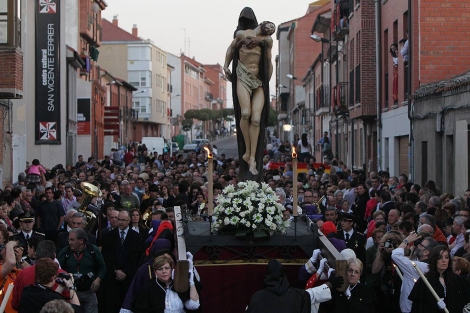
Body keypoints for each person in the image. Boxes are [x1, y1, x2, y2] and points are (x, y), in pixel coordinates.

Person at [224, 11, 274, 178]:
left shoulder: (266, 41)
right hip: (243, 77)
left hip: (258, 81)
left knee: (256, 118)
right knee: (245, 113)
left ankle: (252, 157)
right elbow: (231, 49)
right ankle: (246, 152)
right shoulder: (242, 34)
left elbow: (268, 60)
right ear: (262, 24)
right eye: (270, 27)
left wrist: (267, 78)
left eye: (272, 30)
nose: (270, 31)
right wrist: (226, 65)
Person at [246, 259, 342, 313]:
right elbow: (313, 294)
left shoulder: (257, 298)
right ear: (284, 276)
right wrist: (331, 284)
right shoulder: (297, 295)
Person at [100, 210, 142, 312]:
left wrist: (125, 272)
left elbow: (136, 257)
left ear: (129, 221)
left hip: (128, 278)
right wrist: (115, 270)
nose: (120, 222)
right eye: (119, 219)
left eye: (124, 220)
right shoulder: (108, 236)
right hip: (112, 278)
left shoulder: (137, 237)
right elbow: (107, 256)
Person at [409, 245, 469, 313]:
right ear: (434, 259)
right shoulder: (425, 280)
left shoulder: (456, 279)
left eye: (446, 257)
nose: (444, 260)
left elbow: (464, 300)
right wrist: (435, 305)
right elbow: (418, 307)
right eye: (440, 257)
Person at [58, 228, 106, 313]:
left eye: (72, 240)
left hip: (89, 292)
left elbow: (102, 267)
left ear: (81, 240)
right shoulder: (65, 252)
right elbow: (58, 269)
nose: (69, 242)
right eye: (69, 239)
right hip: (71, 292)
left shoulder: (93, 250)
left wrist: (98, 279)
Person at [131, 254, 200, 313]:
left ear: (172, 270)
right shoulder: (147, 289)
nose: (164, 271)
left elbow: (194, 306)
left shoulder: (179, 284)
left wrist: (191, 282)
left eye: (167, 268)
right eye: (160, 269)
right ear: (155, 272)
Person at [391, 231, 439, 313]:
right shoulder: (424, 265)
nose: (417, 245)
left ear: (426, 252)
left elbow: (395, 255)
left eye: (421, 245)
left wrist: (406, 241)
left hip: (411, 309)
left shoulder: (421, 267)